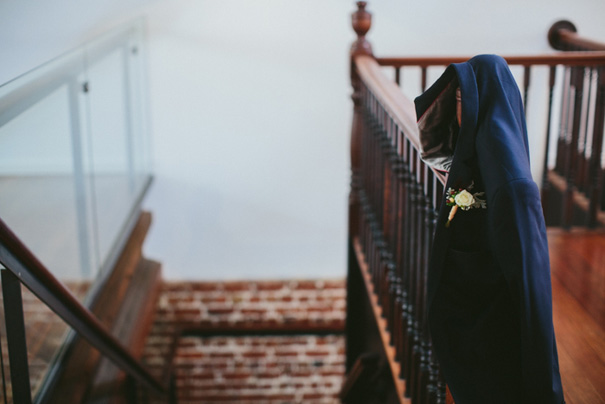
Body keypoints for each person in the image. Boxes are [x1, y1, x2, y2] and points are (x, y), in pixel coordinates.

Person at [414, 54, 565, 404]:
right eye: (457, 99)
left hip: (497, 339)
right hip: (471, 327)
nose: (459, 109)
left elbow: (532, 289)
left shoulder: (516, 189)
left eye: (464, 99)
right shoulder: (472, 161)